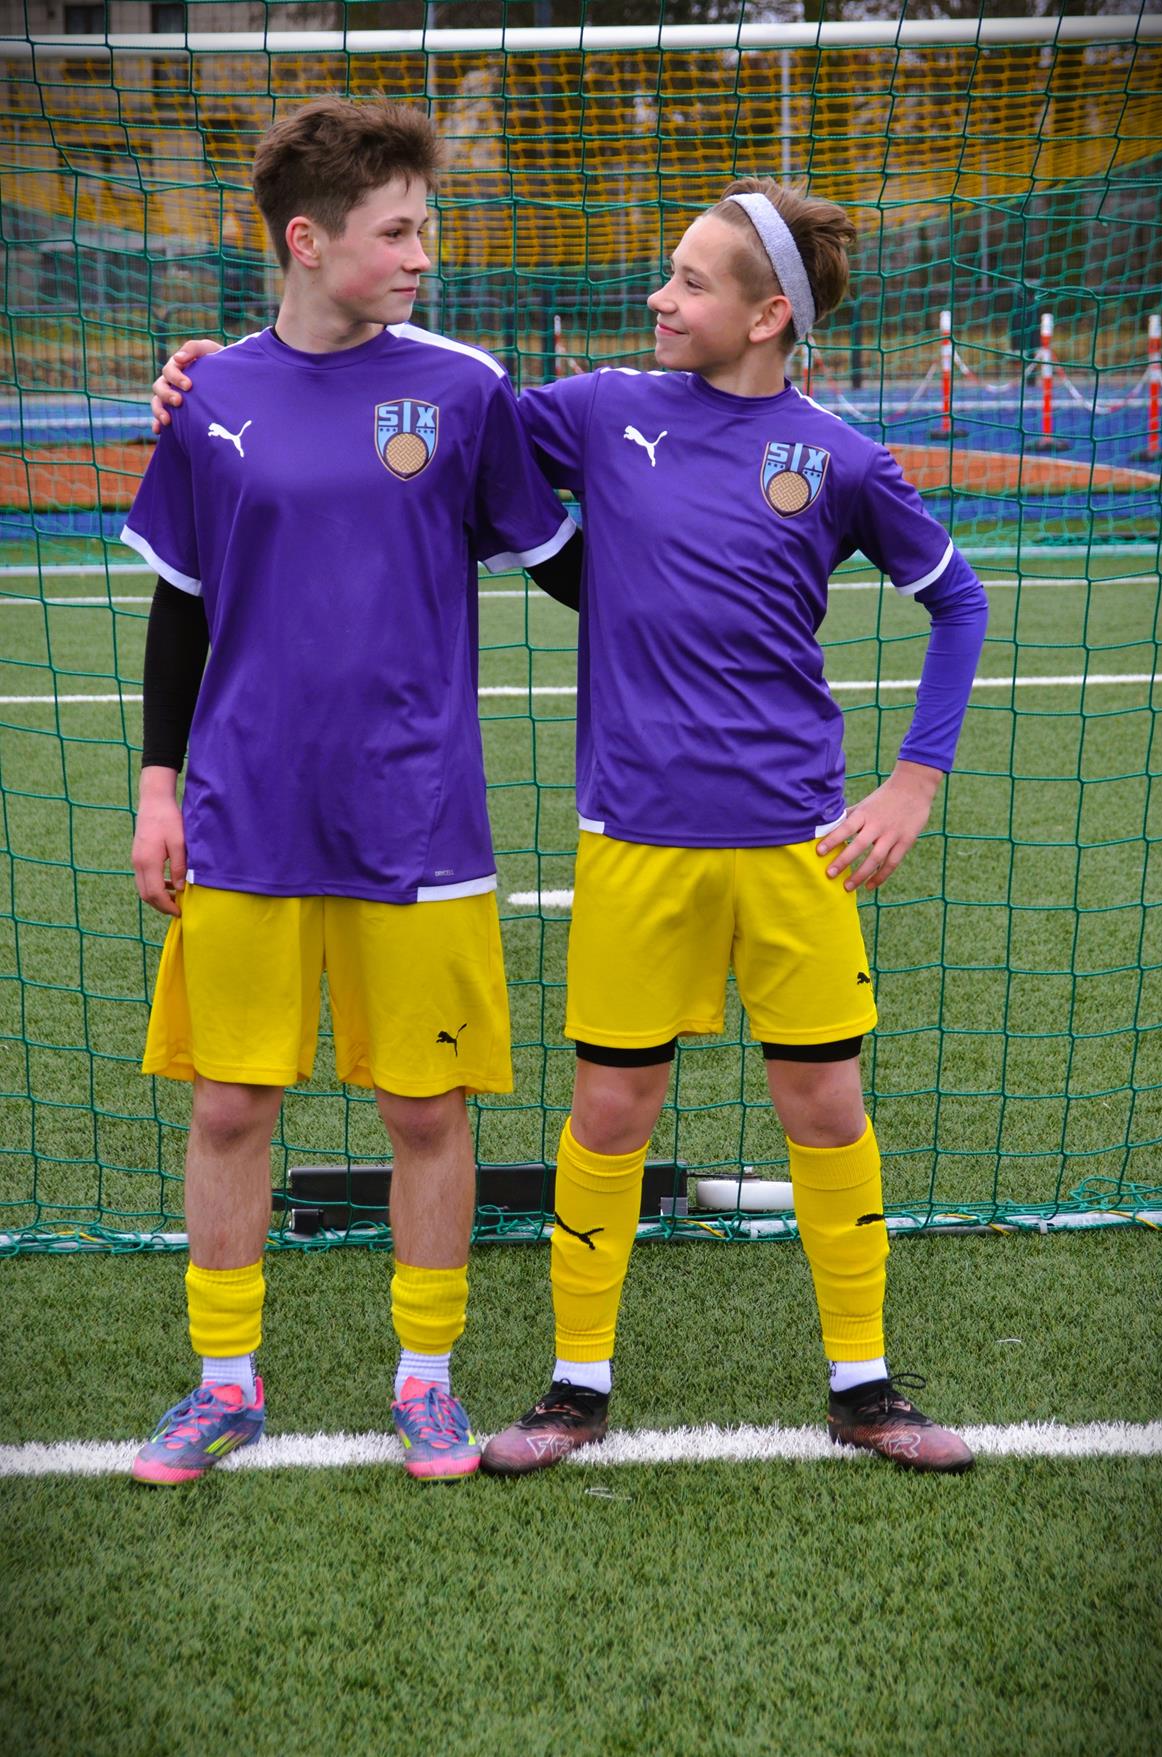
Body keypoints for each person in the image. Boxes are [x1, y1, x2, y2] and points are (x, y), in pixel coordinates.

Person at [152, 178, 988, 1478]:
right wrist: (219, 379)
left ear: (769, 315)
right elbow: (426, 408)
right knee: (608, 1107)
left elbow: (959, 600)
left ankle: (866, 1384)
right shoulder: (596, 411)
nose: (660, 295)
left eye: (691, 281)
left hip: (796, 841)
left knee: (827, 1104)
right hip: (634, 836)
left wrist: (913, 782)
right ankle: (573, 1389)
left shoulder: (839, 456)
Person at [124, 96, 579, 1487]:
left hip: (418, 818)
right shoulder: (211, 399)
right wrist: (156, 790)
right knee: (227, 1106)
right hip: (244, 813)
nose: (421, 255)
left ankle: (427, 1381)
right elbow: (180, 609)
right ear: (308, 242)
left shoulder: (463, 389)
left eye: (426, 229)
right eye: (395, 232)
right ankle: (224, 1383)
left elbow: (567, 564)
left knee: (426, 1111)